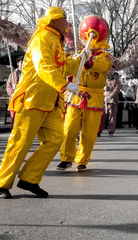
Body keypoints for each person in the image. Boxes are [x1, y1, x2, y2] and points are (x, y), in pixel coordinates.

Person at [0, 6, 79, 199]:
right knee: (20, 143)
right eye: (64, 18)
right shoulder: (42, 38)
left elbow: (60, 65)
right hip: (31, 100)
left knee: (56, 139)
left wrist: (79, 61)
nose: (67, 22)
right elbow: (44, 67)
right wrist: (64, 85)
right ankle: (2, 181)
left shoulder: (56, 40)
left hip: (50, 102)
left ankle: (30, 178)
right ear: (54, 20)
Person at [56, 17, 113, 172]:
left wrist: (89, 62)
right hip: (76, 93)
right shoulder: (78, 54)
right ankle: (66, 158)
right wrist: (77, 59)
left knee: (88, 133)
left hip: (94, 97)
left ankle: (82, 160)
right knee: (69, 128)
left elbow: (103, 66)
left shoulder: (105, 55)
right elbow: (67, 68)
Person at [6, 56, 23, 127]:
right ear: (18, 63)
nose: (23, 64)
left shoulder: (28, 74)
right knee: (14, 120)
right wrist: (12, 93)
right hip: (14, 99)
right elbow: (8, 86)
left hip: (24, 100)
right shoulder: (12, 75)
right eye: (21, 62)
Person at [103, 69, 121, 136]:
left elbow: (116, 90)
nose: (111, 72)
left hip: (112, 100)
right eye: (110, 70)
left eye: (112, 70)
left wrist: (110, 96)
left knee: (112, 117)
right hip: (104, 100)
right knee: (102, 116)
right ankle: (99, 130)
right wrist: (103, 88)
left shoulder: (117, 81)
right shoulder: (104, 79)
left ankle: (111, 131)